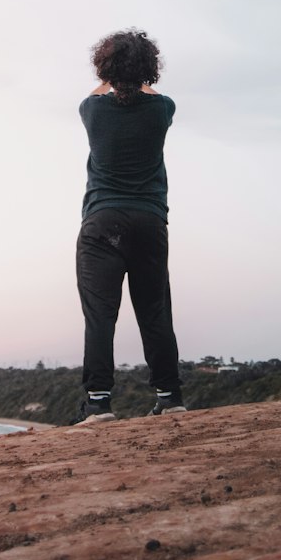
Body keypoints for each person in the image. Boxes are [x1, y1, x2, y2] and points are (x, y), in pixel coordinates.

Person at [75, 27, 186, 422]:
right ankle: (170, 398)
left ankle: (99, 403)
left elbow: (97, 91)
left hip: (103, 221)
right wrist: (140, 79)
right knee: (154, 311)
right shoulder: (162, 109)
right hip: (150, 221)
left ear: (103, 67)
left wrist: (115, 75)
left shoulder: (92, 110)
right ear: (149, 70)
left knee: (101, 315)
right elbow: (152, 94)